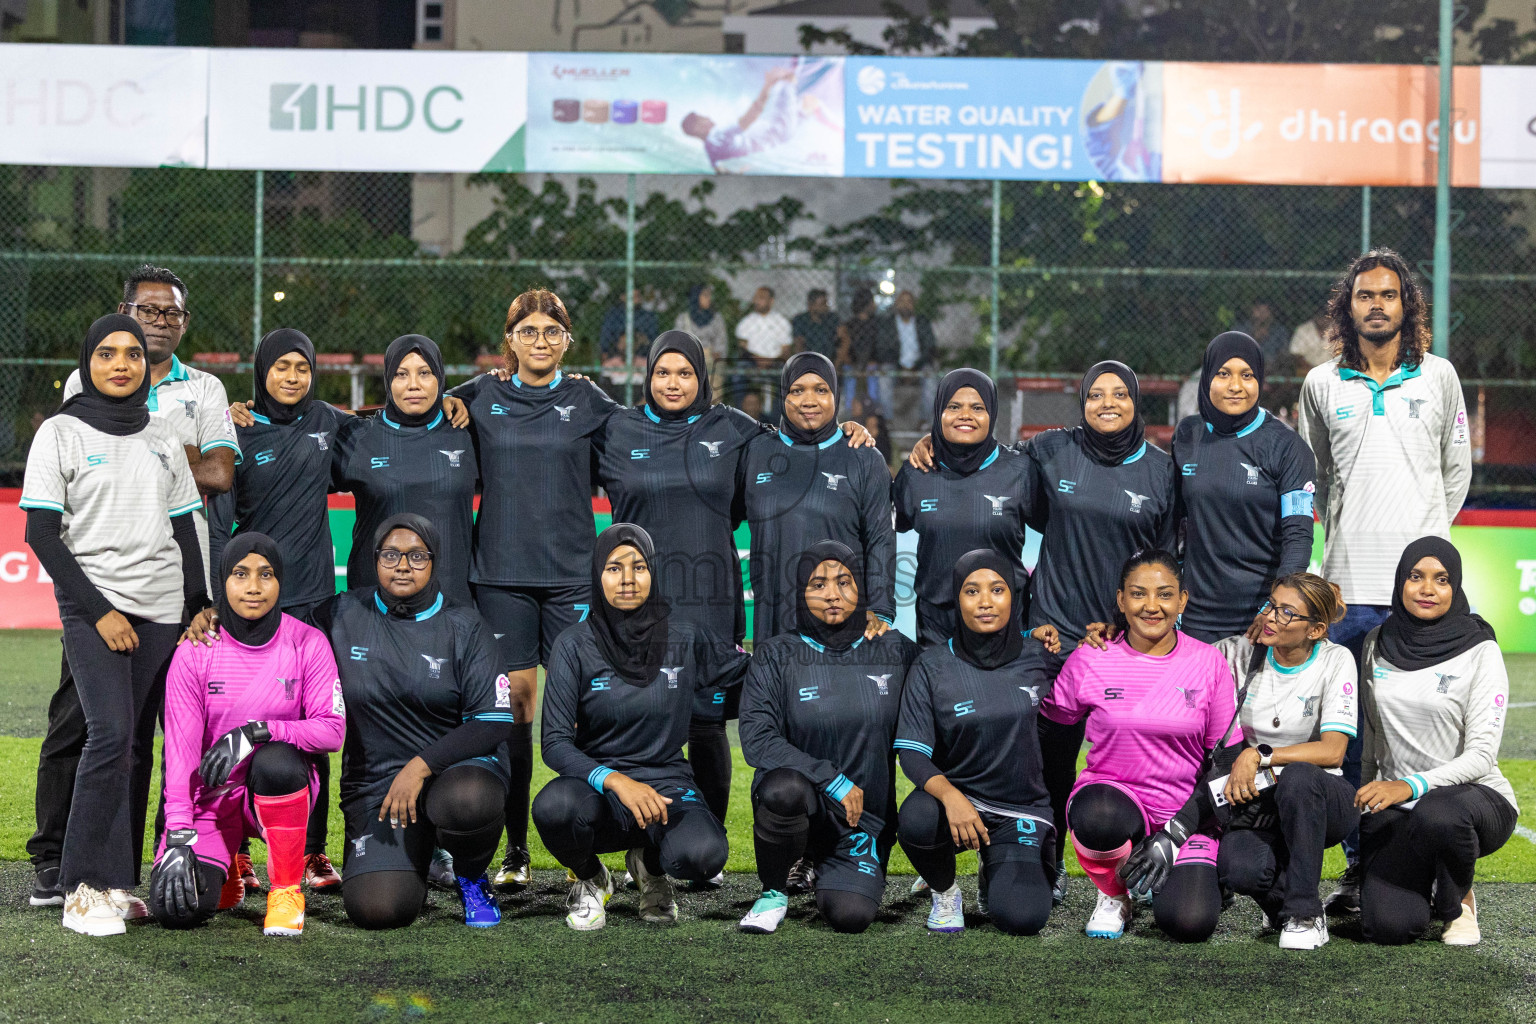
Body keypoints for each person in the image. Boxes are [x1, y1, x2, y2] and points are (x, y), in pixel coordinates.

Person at [594, 331, 870, 843]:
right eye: (662, 372)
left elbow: (801, 443)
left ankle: (708, 836)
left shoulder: (738, 431)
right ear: (646, 376)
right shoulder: (614, 429)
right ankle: (638, 847)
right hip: (635, 607)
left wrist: (846, 431)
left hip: (710, 604)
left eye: (685, 373)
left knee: (706, 725)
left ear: (703, 378)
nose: (673, 383)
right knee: (637, 725)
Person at [28, 265, 240, 909]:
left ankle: (116, 879)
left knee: (135, 742)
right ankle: (70, 877)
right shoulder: (63, 425)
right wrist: (97, 610)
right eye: (108, 350)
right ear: (90, 359)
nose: (124, 360)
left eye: (132, 354)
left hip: (161, 606)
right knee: (101, 731)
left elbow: (195, 510)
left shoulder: (171, 422)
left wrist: (198, 600)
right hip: (96, 606)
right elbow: (43, 533)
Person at [1298, 248, 1471, 909]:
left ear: (1407, 306)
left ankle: (1420, 862)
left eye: (1388, 295)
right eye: (1364, 295)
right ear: (1348, 307)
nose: (1376, 304)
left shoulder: (1441, 377)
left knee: (1421, 733)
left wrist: (1425, 546)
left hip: (1419, 595)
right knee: (1348, 742)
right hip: (1344, 589)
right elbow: (1319, 476)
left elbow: (1456, 470)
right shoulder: (1322, 385)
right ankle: (1356, 864)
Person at [447, 289, 621, 893]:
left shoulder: (589, 399)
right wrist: (449, 397)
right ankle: (516, 851)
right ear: (510, 339)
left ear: (568, 341)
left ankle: (600, 847)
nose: (540, 341)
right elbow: (420, 409)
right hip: (499, 576)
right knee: (515, 710)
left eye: (552, 331)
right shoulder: (477, 396)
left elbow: (645, 437)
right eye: (529, 331)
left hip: (574, 575)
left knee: (588, 708)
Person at [533, 524, 741, 930]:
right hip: (598, 788)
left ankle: (650, 867)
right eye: (614, 568)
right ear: (597, 576)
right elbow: (555, 744)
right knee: (553, 808)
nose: (627, 580)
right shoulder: (573, 644)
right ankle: (592, 877)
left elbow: (748, 673)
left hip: (665, 785)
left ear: (653, 573)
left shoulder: (684, 635)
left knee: (703, 856)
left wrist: (814, 650)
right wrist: (615, 780)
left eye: (639, 567)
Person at [317, 514, 513, 930]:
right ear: (375, 560)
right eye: (391, 555)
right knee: (378, 911)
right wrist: (212, 617)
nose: (403, 565)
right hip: (379, 787)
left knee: (467, 800)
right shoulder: (341, 614)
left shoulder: (466, 626)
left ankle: (471, 874)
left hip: (456, 773)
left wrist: (420, 766)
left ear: (434, 560)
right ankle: (415, 858)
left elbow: (493, 722)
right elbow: (277, 629)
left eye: (416, 556)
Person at [207, 328, 349, 892]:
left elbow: (392, 412)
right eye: (281, 366)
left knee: (312, 728)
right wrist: (220, 600)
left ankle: (312, 851)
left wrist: (466, 394)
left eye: (302, 367)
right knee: (233, 724)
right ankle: (234, 847)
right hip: (249, 608)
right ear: (262, 370)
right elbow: (220, 527)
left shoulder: (327, 423)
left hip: (313, 605)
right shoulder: (236, 428)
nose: (292, 377)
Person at [149, 534, 345, 935]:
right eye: (241, 574)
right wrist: (179, 833)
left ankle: (286, 890)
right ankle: (226, 872)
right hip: (212, 801)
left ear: (280, 582)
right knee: (176, 910)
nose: (253, 587)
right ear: (223, 581)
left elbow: (332, 730)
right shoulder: (196, 649)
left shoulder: (308, 642)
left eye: (265, 574)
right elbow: (182, 752)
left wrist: (259, 731)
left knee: (277, 760)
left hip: (274, 789)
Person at [1043, 550, 1235, 942]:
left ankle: (1176, 869)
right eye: (1138, 594)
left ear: (1182, 600)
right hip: (1114, 799)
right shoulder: (1092, 656)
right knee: (1097, 816)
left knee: (1189, 923)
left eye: (1165, 595)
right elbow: (1051, 724)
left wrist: (1176, 832)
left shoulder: (1209, 662)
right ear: (1120, 601)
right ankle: (1114, 895)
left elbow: (1225, 762)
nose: (1151, 606)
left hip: (1185, 812)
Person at [737, 542, 919, 934]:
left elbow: (951, 672)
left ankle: (831, 866)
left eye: (844, 582)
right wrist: (831, 779)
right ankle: (774, 890)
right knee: (782, 788)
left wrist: (1028, 640)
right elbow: (756, 738)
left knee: (850, 916)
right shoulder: (775, 655)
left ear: (861, 591)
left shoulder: (894, 650)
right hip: (799, 802)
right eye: (818, 584)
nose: (833, 594)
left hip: (861, 819)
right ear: (801, 591)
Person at [1357, 537, 1518, 947]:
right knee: (1388, 927)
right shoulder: (1377, 641)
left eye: (1442, 579)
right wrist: (1368, 808)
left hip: (1472, 800)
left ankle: (1459, 901)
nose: (1428, 589)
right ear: (1401, 582)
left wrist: (1409, 786)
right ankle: (1423, 878)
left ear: (1456, 586)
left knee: (1439, 813)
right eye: (1416, 577)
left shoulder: (1479, 648)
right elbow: (1373, 734)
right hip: (1399, 805)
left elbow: (1482, 755)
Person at [894, 550, 1061, 936]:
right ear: (957, 599)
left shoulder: (1039, 656)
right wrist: (953, 798)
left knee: (1023, 919)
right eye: (972, 591)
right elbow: (912, 755)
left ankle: (998, 864)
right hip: (957, 806)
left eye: (997, 589)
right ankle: (945, 891)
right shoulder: (931, 666)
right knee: (917, 817)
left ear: (1013, 596)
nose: (985, 601)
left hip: (1020, 807)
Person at [1211, 573, 1358, 951]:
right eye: (1271, 605)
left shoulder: (1336, 659)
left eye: (1287, 612)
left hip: (1325, 797)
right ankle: (1281, 907)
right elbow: (1176, 657)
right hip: (1264, 793)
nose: (1271, 617)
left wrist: (1260, 755)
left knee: (1298, 779)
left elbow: (1333, 751)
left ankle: (1304, 912)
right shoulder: (1238, 652)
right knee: (1239, 869)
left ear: (1316, 629)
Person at [741, 353, 896, 642]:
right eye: (797, 391)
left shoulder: (863, 457)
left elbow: (880, 538)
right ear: (783, 395)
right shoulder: (757, 451)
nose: (809, 400)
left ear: (835, 395)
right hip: (773, 619)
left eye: (821, 390)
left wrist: (880, 608)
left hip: (839, 623)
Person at [1173, 332, 1317, 642]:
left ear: (1260, 380)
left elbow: (1299, 536)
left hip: (1259, 617)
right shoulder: (1188, 435)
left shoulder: (1286, 446)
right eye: (1224, 374)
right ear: (1208, 377)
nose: (1236, 386)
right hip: (1196, 617)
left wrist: (1275, 609)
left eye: (1247, 375)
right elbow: (1174, 525)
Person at [333, 335, 478, 607]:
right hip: (374, 606)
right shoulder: (357, 438)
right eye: (401, 374)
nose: (413, 384)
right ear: (388, 380)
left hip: (452, 606)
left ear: (440, 379)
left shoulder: (466, 430)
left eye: (425, 373)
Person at [893, 369, 1033, 648]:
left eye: (977, 407)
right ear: (938, 412)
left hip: (1005, 623)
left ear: (992, 413)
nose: (965, 415)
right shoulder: (916, 472)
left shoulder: (1021, 470)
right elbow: (895, 527)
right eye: (954, 406)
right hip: (936, 627)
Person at [681, 64, 798, 172]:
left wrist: (739, 172)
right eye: (703, 118)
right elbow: (751, 116)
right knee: (785, 84)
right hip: (777, 132)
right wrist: (768, 84)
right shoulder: (717, 134)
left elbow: (718, 169)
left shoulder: (709, 149)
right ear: (699, 128)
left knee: (793, 101)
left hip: (774, 137)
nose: (708, 117)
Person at [875, 289, 938, 416]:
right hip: (895, 365)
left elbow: (929, 347)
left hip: (919, 365)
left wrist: (915, 367)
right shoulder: (888, 324)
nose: (905, 305)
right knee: (883, 379)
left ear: (914, 304)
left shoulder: (922, 322)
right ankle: (887, 421)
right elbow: (883, 349)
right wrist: (901, 368)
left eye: (909, 301)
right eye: (901, 301)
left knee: (931, 380)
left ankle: (924, 421)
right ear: (896, 304)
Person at [673, 284, 730, 383]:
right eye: (705, 295)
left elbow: (721, 343)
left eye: (710, 295)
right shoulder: (683, 318)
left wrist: (713, 355)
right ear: (696, 297)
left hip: (711, 359)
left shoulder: (716, 318)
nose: (709, 298)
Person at [736, 286, 793, 372]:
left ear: (771, 301)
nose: (756, 301)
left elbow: (786, 350)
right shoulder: (746, 321)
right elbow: (742, 346)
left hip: (775, 362)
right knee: (740, 368)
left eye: (761, 298)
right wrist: (757, 359)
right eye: (755, 298)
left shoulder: (782, 322)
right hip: (752, 361)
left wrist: (770, 361)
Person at [600, 288, 660, 369]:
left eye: (638, 296)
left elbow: (653, 338)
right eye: (633, 297)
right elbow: (606, 338)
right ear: (622, 297)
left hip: (641, 355)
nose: (636, 299)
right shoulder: (613, 315)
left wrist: (639, 339)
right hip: (617, 354)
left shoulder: (647, 316)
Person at [1234, 301, 1290, 373]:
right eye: (1258, 310)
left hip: (1272, 369)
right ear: (1253, 311)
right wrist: (1254, 337)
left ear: (1271, 313)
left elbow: (1284, 353)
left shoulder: (1279, 331)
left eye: (1265, 311)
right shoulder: (1241, 330)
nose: (1261, 315)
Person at [791, 289, 840, 361]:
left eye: (826, 303)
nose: (826, 307)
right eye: (822, 304)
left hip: (831, 358)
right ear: (811, 305)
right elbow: (799, 344)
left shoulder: (833, 318)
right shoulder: (800, 320)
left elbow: (844, 339)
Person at [1289, 311, 1333, 375]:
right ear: (1314, 317)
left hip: (1332, 370)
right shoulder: (1303, 329)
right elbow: (1297, 355)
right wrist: (1314, 371)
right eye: (1319, 316)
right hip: (1307, 370)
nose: (1322, 319)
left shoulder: (1339, 330)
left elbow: (1343, 356)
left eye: (1325, 316)